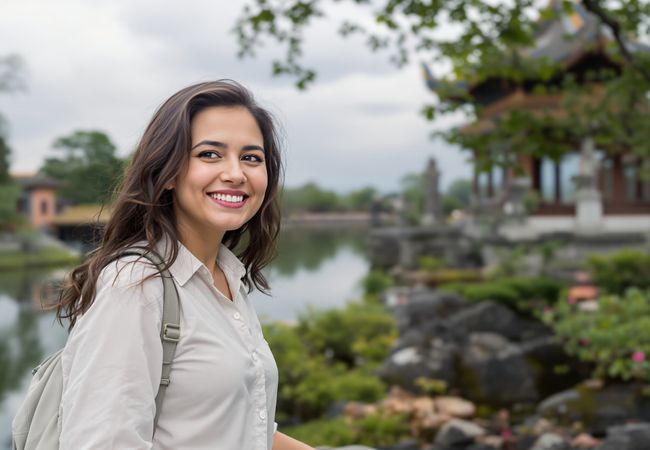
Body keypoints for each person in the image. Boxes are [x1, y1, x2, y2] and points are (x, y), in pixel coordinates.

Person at [55, 80, 315, 449]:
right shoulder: (136, 286)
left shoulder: (227, 277)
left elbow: (237, 425)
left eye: (251, 158)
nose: (236, 173)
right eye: (210, 154)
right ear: (168, 173)